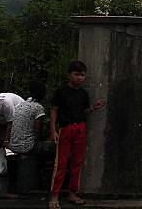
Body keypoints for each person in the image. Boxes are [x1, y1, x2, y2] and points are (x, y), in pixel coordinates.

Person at [49, 61, 106, 208]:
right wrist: (53, 130)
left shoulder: (83, 93)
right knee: (61, 164)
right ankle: (55, 195)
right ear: (69, 75)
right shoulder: (61, 91)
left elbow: (84, 111)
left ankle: (72, 193)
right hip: (65, 128)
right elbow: (54, 110)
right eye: (77, 74)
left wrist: (94, 107)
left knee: (77, 163)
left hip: (80, 128)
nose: (80, 78)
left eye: (82, 75)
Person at [9, 81, 49, 155]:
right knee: (48, 147)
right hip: (27, 147)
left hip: (13, 145)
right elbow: (38, 133)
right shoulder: (38, 108)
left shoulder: (20, 105)